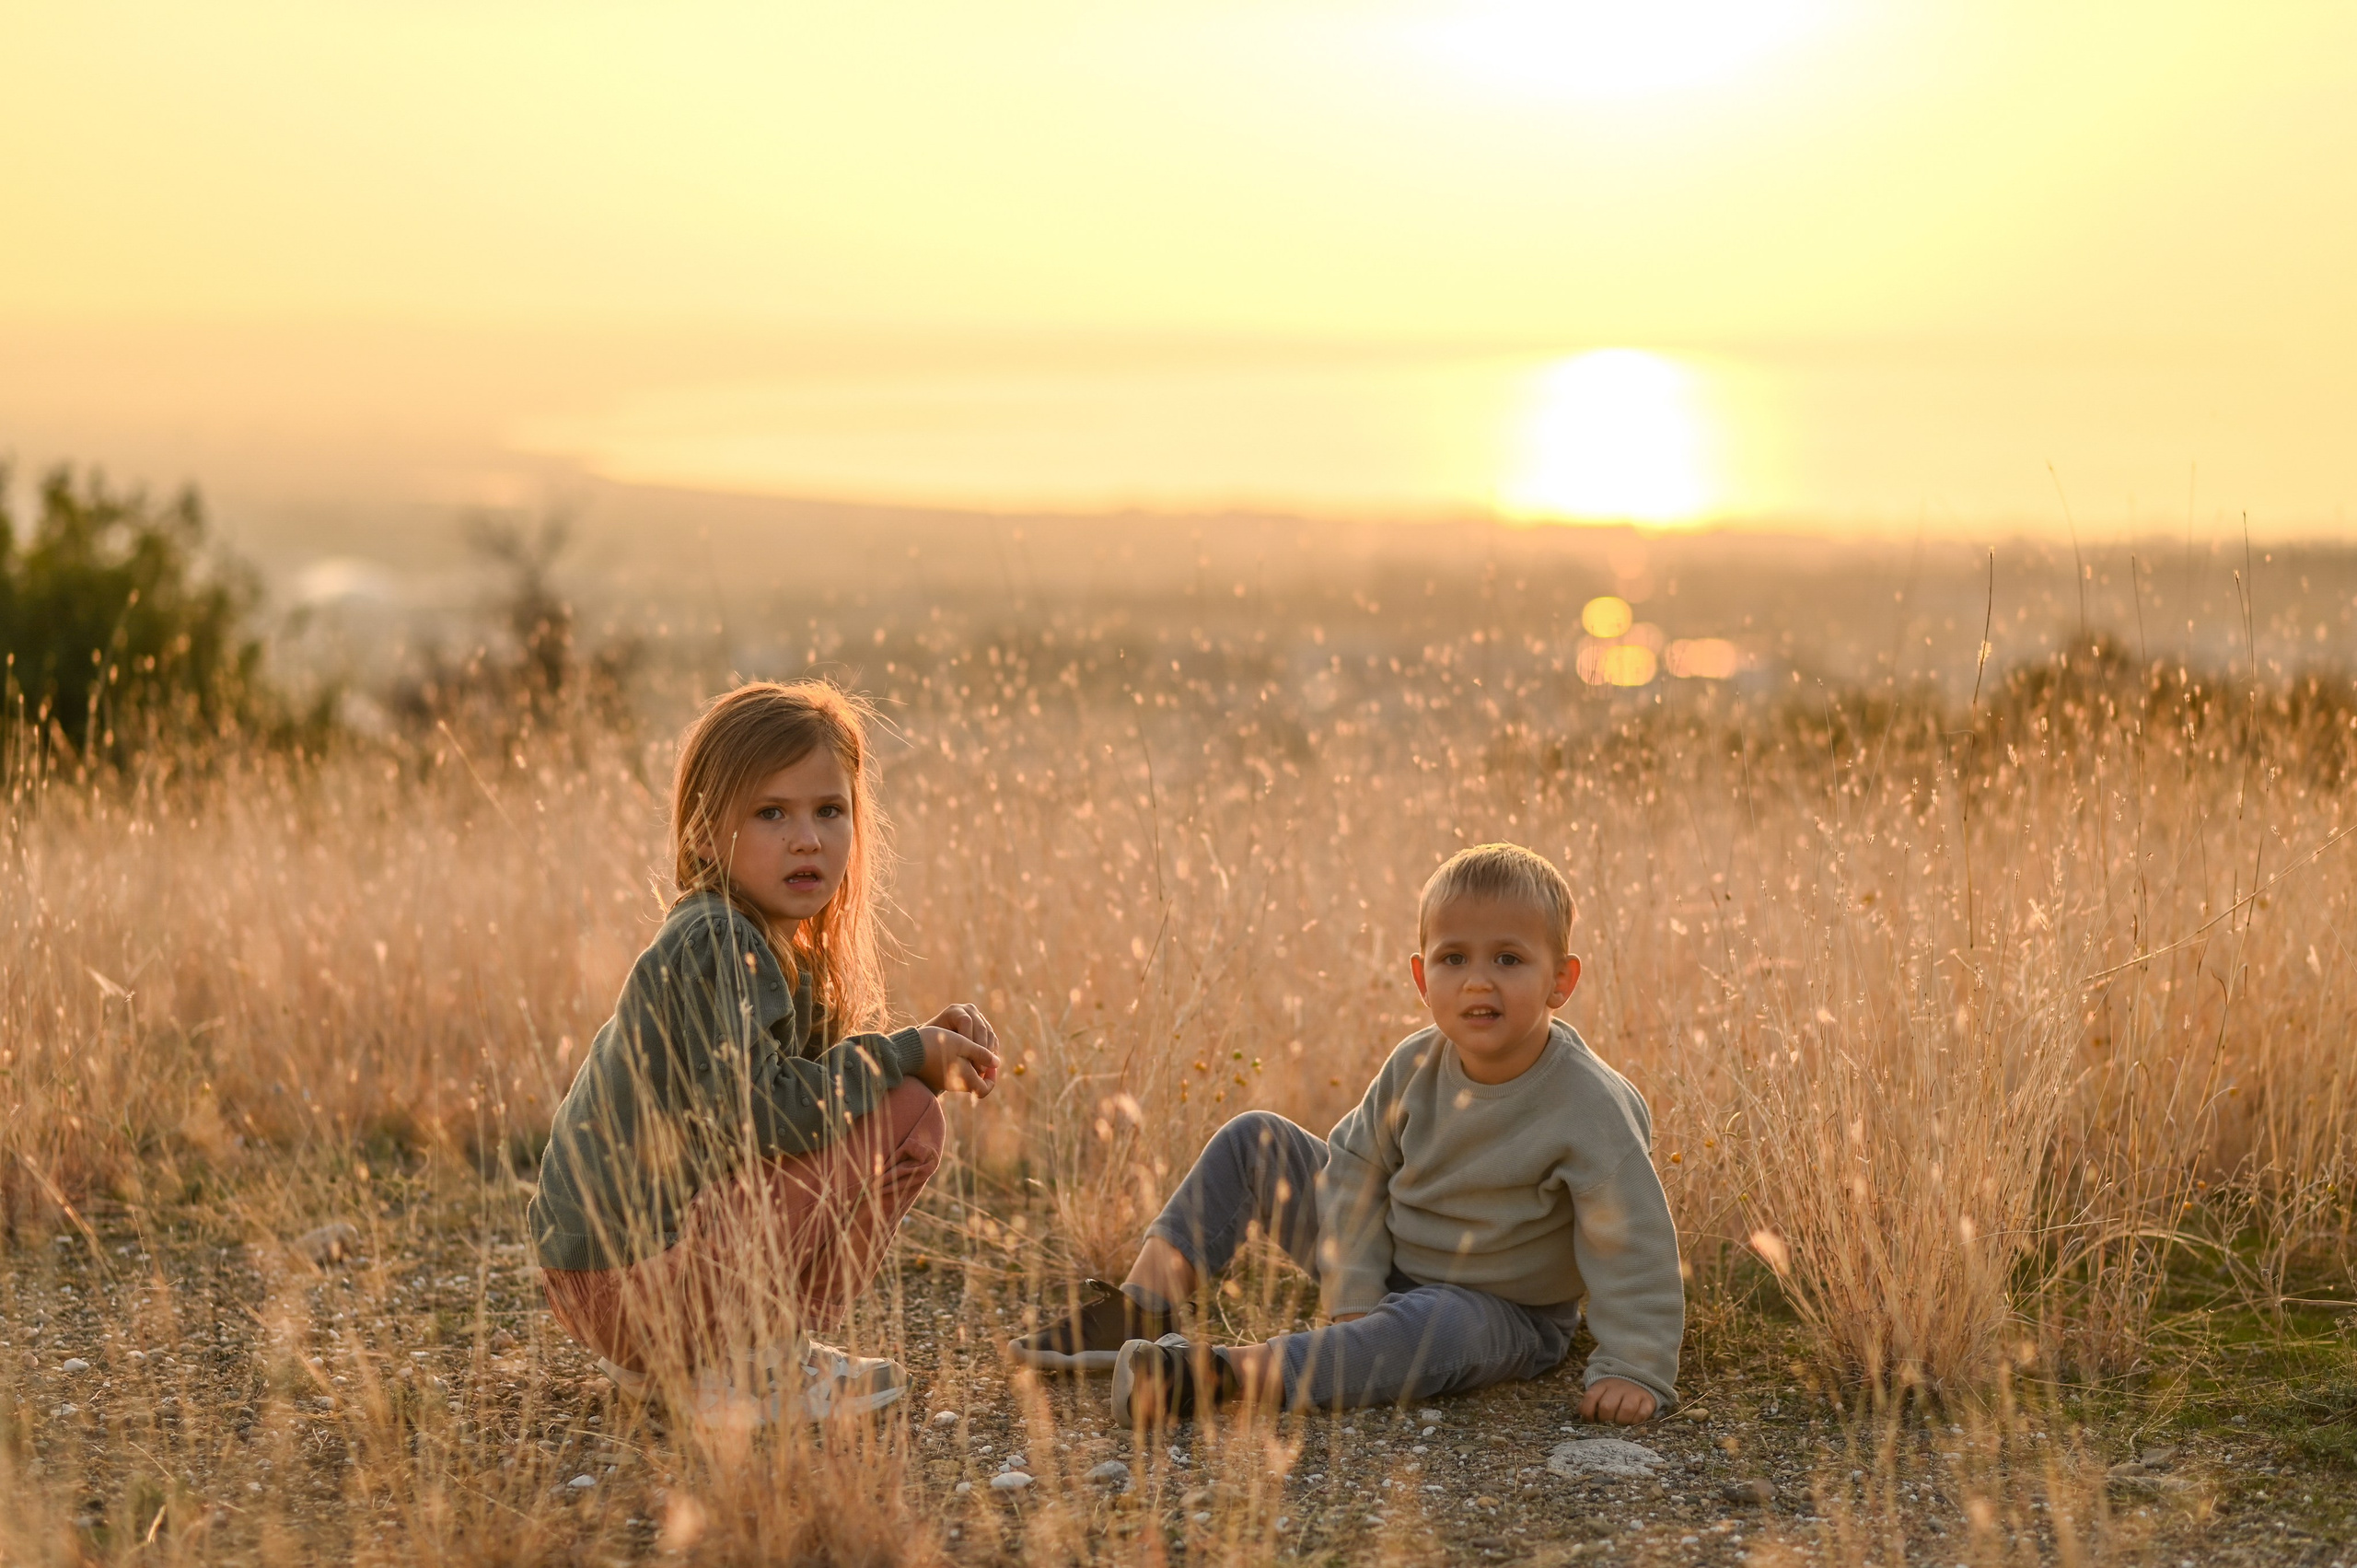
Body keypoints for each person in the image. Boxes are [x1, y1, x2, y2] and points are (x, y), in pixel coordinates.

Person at [1011, 842, 1681, 1425]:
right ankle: (1140, 1305)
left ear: (1560, 980)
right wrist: (1354, 1290)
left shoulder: (1588, 1104)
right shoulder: (1414, 1065)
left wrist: (1634, 1367)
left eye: (1509, 958)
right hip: (1387, 1256)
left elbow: (1634, 1239)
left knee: (1427, 1331)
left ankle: (1212, 1376)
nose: (1478, 978)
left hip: (1500, 1311)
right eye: (1454, 957)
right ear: (1422, 977)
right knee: (1256, 1137)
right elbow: (1354, 1169)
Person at [529, 680, 1000, 1423]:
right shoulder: (717, 940)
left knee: (894, 1101)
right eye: (770, 812)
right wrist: (907, 1054)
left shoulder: (760, 943)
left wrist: (916, 1045)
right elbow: (764, 1117)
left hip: (613, 1280)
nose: (806, 837)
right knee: (909, 1115)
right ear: (706, 832)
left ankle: (710, 1359)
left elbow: (791, 1110)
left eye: (829, 810)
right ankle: (750, 1361)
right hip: (624, 1279)